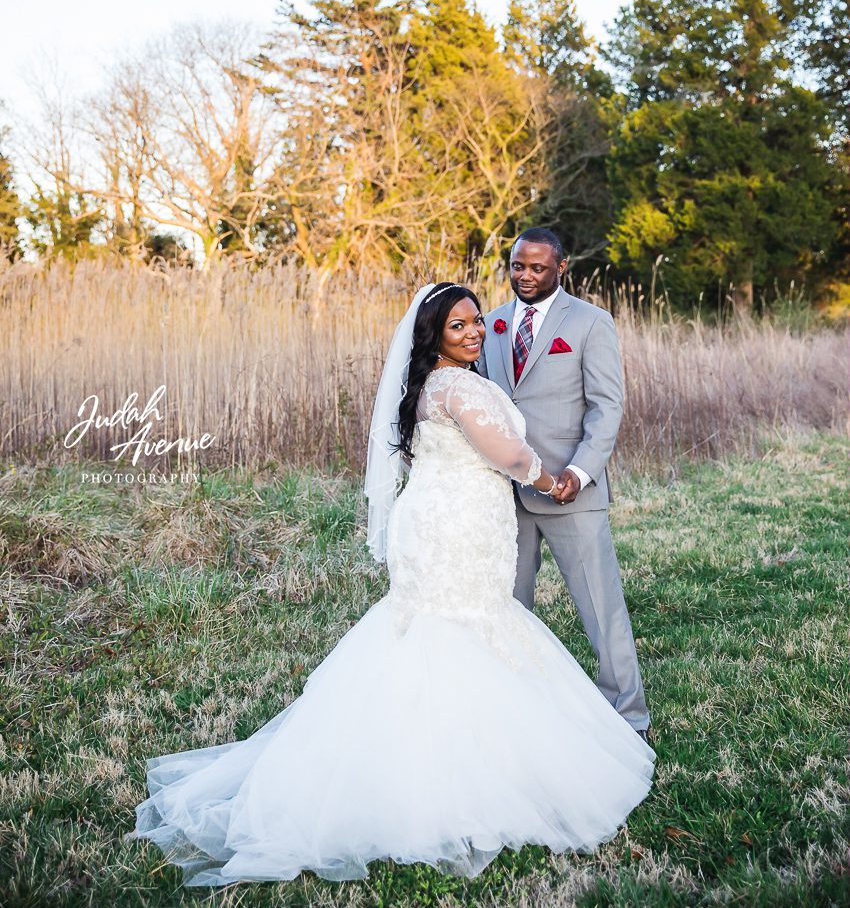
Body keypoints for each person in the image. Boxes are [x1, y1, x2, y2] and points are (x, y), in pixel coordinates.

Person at [126, 282, 654, 887]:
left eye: (477, 321)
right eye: (458, 326)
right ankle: (459, 777)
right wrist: (551, 481)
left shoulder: (427, 385)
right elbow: (508, 455)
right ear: (435, 336)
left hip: (441, 514)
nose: (475, 333)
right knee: (464, 625)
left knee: (442, 624)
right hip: (456, 524)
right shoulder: (458, 386)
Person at [479, 227, 651, 738]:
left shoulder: (591, 322)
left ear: (561, 266)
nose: (526, 276)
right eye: (518, 266)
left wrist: (579, 472)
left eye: (537, 267)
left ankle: (629, 717)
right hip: (506, 493)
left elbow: (606, 407)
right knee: (508, 608)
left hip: (570, 490)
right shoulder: (492, 323)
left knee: (602, 609)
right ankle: (513, 712)